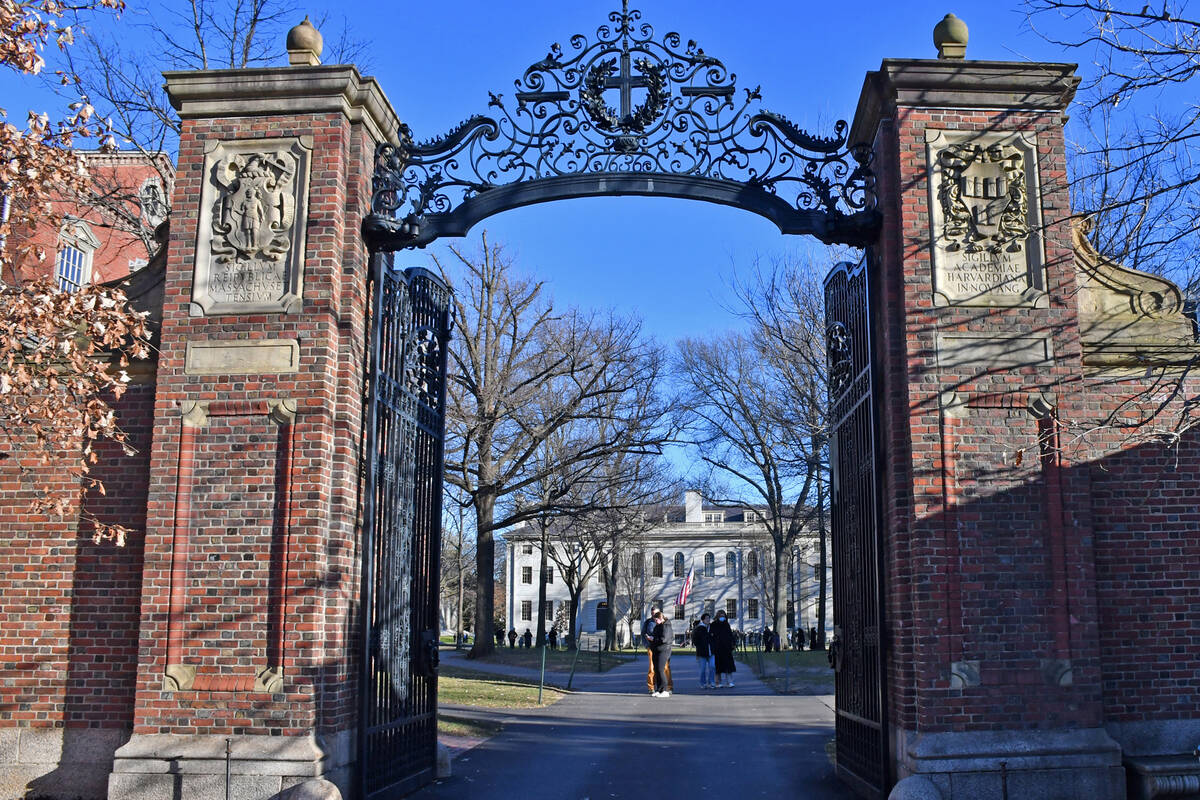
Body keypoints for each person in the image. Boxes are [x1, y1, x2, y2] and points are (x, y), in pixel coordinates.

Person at [710, 609, 736, 688]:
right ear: (718, 616)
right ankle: (718, 682)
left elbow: (730, 636)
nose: (722, 617)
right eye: (721, 616)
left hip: (727, 649)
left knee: (728, 666)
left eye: (723, 616)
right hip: (717, 649)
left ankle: (730, 681)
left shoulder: (726, 624)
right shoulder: (713, 625)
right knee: (718, 667)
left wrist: (733, 644)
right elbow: (712, 637)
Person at [650, 610, 673, 697]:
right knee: (656, 670)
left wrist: (653, 639)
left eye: (656, 620)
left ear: (661, 618)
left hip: (664, 650)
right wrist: (651, 639)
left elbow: (664, 639)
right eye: (654, 620)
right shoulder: (657, 626)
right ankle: (659, 689)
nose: (655, 622)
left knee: (660, 669)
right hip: (656, 650)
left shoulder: (666, 626)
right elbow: (656, 636)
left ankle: (665, 690)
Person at [693, 612, 715, 689]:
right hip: (702, 652)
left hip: (711, 651)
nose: (708, 620)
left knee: (712, 667)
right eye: (706, 619)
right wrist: (700, 646)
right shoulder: (699, 629)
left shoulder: (712, 628)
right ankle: (703, 683)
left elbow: (715, 638)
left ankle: (711, 682)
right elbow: (695, 640)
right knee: (702, 669)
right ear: (702, 620)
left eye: (709, 618)